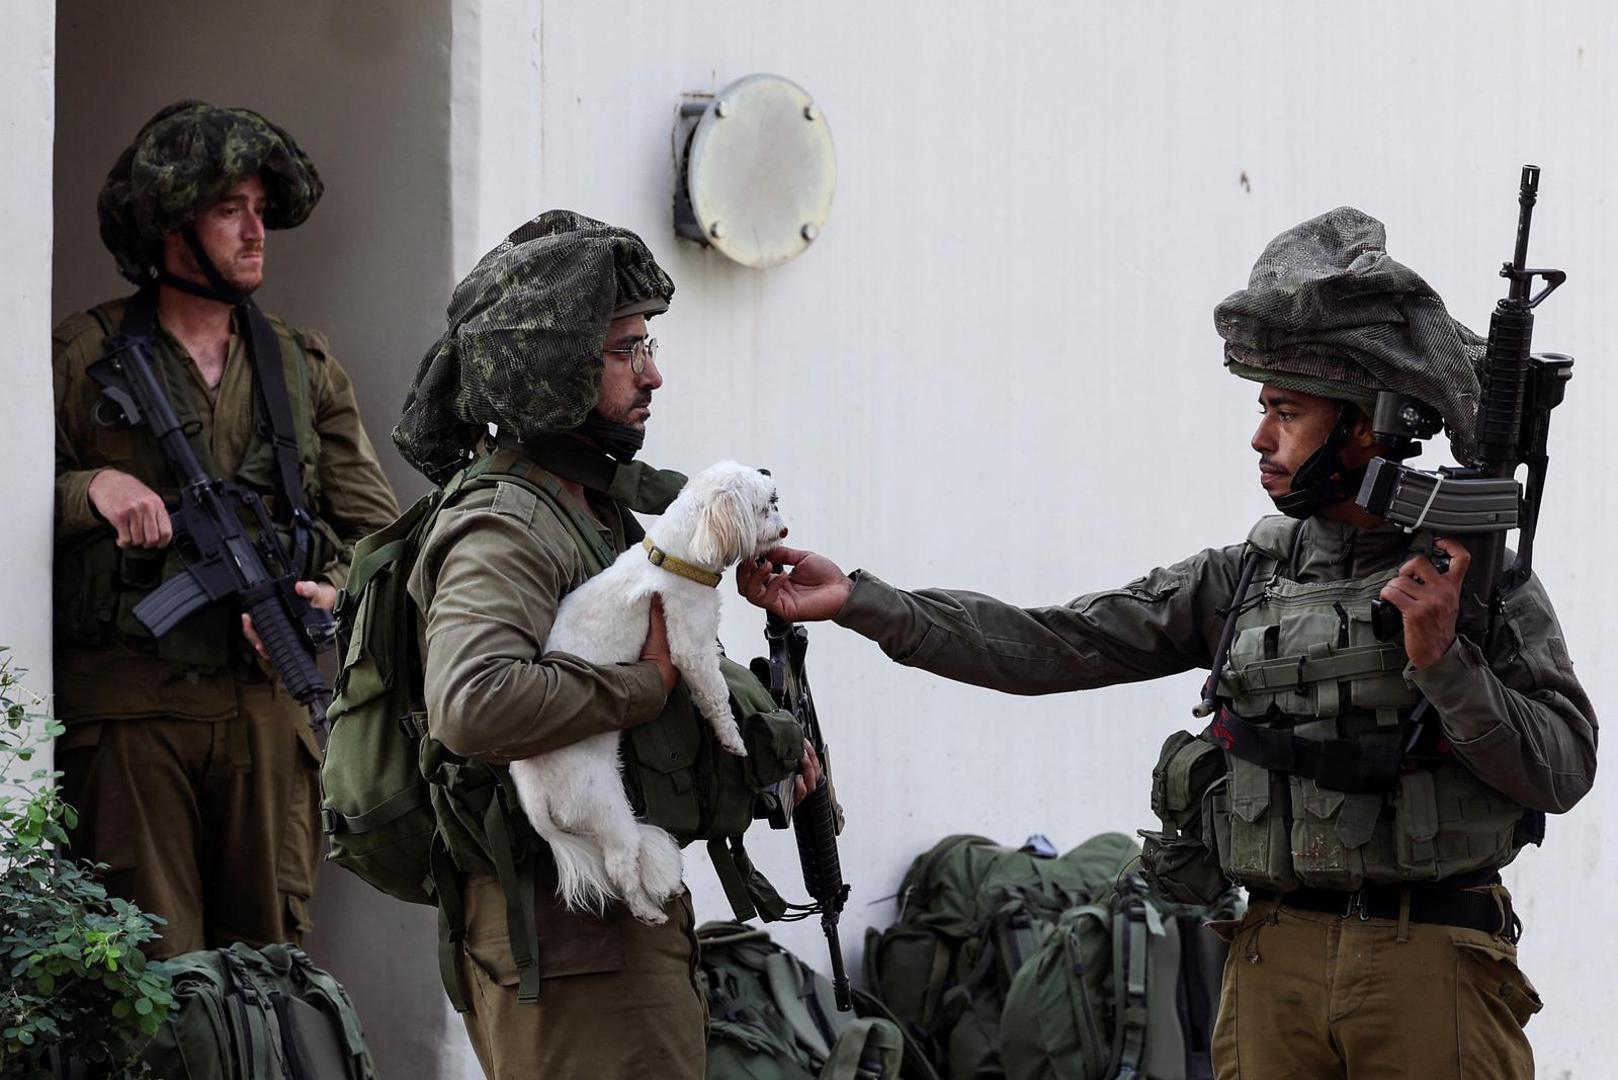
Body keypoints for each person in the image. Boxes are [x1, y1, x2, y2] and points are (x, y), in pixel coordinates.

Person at [738, 208, 1596, 1079]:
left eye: (1288, 412)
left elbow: (1562, 769)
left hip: (1430, 962)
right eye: (1265, 408)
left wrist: (1445, 663)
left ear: (1367, 426)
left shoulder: (1476, 585)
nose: (1261, 437)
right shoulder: (1245, 579)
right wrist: (862, 601)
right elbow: (1056, 643)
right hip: (1270, 963)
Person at [394, 210, 817, 1079]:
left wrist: (763, 747)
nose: (653, 373)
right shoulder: (503, 526)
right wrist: (644, 687)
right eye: (626, 349)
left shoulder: (593, 505)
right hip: (565, 936)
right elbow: (472, 705)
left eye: (648, 344)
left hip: (612, 920)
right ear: (552, 367)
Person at [52, 101, 400, 958]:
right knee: (148, 968)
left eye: (259, 209)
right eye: (228, 210)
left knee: (266, 966)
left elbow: (379, 537)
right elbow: (17, 490)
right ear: (172, 225)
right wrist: (90, 486)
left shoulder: (300, 364)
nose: (257, 232)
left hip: (264, 707)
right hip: (132, 712)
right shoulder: (82, 354)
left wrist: (330, 590)